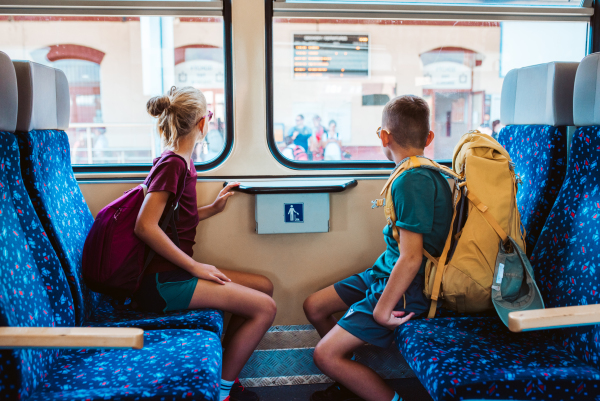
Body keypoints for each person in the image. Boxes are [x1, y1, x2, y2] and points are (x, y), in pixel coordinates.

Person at [303, 95, 453, 401]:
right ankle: (355, 380)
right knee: (314, 306)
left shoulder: (412, 180)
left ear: (384, 136)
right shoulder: (418, 171)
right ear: (429, 138)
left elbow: (412, 258)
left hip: (409, 287)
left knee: (324, 356)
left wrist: (383, 308)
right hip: (384, 271)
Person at [134, 86, 276, 401]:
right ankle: (222, 392)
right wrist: (196, 266)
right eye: (209, 115)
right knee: (266, 309)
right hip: (161, 281)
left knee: (263, 286)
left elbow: (173, 221)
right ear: (202, 123)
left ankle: (222, 373)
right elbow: (145, 226)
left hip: (174, 273)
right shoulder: (172, 163)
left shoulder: (182, 161)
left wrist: (212, 209)